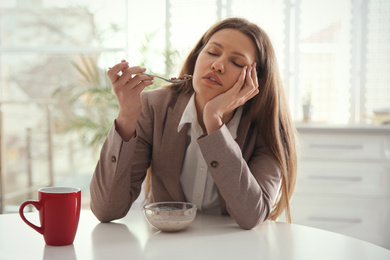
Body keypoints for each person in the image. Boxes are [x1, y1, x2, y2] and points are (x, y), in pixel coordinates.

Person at [90, 17, 298, 230]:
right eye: (213, 53)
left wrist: (214, 123)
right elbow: (106, 210)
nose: (217, 65)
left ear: (255, 82)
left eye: (236, 62)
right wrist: (126, 117)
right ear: (197, 57)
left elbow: (251, 216)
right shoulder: (153, 107)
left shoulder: (268, 127)